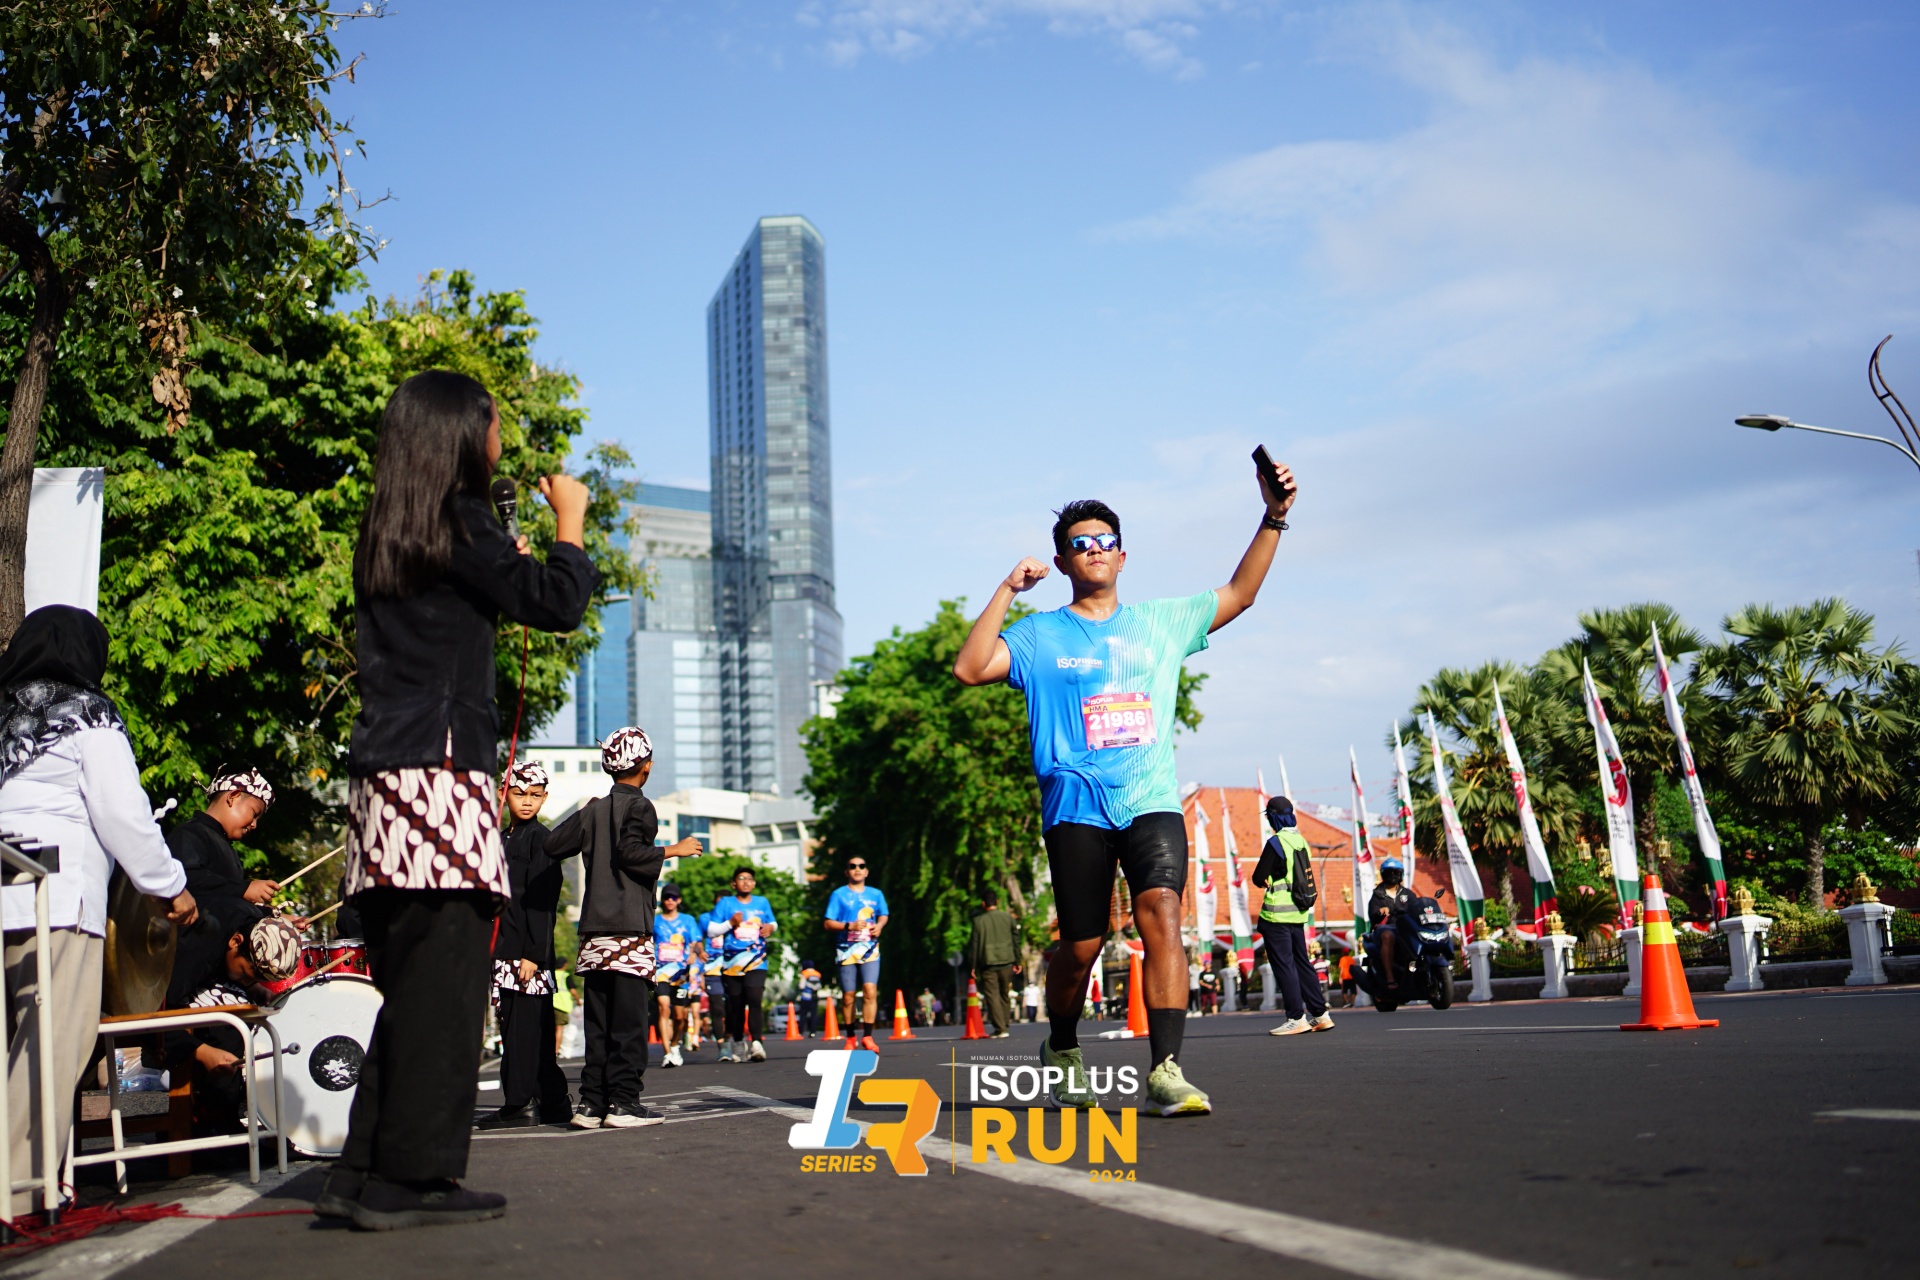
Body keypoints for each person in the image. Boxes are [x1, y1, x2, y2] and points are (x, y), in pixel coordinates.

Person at [319, 370, 599, 1231]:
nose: (500, 438)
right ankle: (411, 1179)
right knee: (444, 983)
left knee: (413, 982)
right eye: (494, 423)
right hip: (440, 778)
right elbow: (556, 601)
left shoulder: (393, 526)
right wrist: (570, 523)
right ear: (462, 434)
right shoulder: (460, 519)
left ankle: (362, 1169)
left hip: (384, 781)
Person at [952, 458, 1298, 1118]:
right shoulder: (1039, 635)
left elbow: (1241, 592)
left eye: (1105, 540)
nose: (1094, 549)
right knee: (1081, 947)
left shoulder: (1161, 622)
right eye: (1080, 543)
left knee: (1162, 912)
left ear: (1122, 554)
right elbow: (969, 668)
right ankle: (1061, 1045)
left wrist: (1274, 516)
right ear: (1062, 561)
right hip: (1075, 808)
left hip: (1149, 800)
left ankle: (1166, 1071)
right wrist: (1006, 590)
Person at [0, 605, 198, 1214]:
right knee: (51, 1048)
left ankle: (37, 1182)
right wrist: (170, 885)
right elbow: (122, 815)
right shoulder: (88, 713)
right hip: (56, 904)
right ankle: (19, 1193)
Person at [549, 727, 702, 1127]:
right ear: (646, 766)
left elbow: (553, 845)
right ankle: (623, 1104)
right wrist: (673, 850)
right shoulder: (641, 806)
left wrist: (588, 814)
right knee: (630, 1023)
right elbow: (631, 853)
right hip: (629, 932)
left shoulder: (595, 808)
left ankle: (591, 1104)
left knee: (599, 1023)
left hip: (593, 933)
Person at [477, 761, 571, 1130]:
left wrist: (533, 954)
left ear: (545, 798)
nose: (527, 801)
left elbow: (543, 903)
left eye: (535, 795)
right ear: (504, 794)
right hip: (502, 952)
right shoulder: (499, 840)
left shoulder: (543, 841)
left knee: (525, 1033)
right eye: (519, 794)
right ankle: (553, 1101)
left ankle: (520, 1103)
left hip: (527, 957)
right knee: (520, 1030)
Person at [163, 916, 302, 1134]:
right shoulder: (197, 950)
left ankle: (250, 1113)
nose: (246, 980)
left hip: (205, 978)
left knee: (255, 1011)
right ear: (235, 941)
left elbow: (240, 975)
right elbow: (162, 1014)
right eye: (247, 973)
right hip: (169, 996)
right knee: (229, 1022)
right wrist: (203, 1052)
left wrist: (255, 988)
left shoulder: (245, 922)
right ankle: (214, 1121)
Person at [167, 768, 280, 991]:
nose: (254, 824)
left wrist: (271, 915)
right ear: (233, 796)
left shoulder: (227, 849)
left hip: (209, 975)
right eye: (254, 813)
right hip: (178, 974)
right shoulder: (190, 833)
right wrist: (243, 888)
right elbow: (184, 882)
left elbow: (228, 909)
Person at [1251, 795, 1334, 1036]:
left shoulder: (1276, 842)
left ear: (1273, 818)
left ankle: (1296, 1017)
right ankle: (1320, 1014)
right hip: (1298, 913)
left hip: (1276, 916)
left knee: (1284, 966)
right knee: (1302, 963)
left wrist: (1266, 878)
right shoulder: (1301, 842)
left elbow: (1258, 876)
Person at [710, 868, 777, 1061]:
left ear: (754, 883)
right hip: (732, 963)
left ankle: (757, 1043)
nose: (746, 882)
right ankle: (738, 1041)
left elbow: (773, 923)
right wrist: (730, 923)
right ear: (733, 884)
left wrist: (771, 927)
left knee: (755, 999)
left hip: (757, 961)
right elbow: (712, 931)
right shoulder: (725, 903)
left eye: (749, 879)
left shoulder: (762, 902)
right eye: (741, 878)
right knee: (736, 1005)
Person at [823, 856, 887, 1050]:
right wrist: (848, 925)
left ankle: (868, 1036)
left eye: (861, 866)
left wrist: (879, 926)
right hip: (846, 949)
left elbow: (883, 915)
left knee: (870, 991)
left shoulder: (876, 894)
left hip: (869, 948)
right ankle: (850, 1037)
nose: (857, 869)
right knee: (848, 996)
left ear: (866, 871)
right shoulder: (838, 895)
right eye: (852, 866)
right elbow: (827, 923)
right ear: (847, 872)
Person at [652, 885, 704, 1066]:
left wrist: (696, 953)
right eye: (667, 897)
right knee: (663, 1008)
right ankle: (667, 1053)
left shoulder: (688, 920)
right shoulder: (655, 921)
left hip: (681, 974)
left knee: (680, 1017)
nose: (670, 901)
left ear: (679, 900)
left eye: (673, 897)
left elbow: (696, 942)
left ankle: (675, 1044)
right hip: (661, 972)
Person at [966, 891, 1018, 1038]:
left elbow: (975, 945)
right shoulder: (1007, 918)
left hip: (988, 963)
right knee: (1004, 994)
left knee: (992, 996)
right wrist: (1017, 960)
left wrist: (973, 966)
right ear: (997, 902)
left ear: (983, 903)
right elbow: (1016, 940)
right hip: (1007, 960)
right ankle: (1005, 1025)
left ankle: (1000, 1028)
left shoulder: (978, 921)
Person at [1368, 858, 1418, 991]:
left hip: (1406, 928)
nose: (1392, 875)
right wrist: (1380, 911)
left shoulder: (1408, 894)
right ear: (1383, 874)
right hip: (1386, 928)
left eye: (1395, 872)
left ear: (1401, 874)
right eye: (1389, 872)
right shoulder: (1377, 895)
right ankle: (1390, 978)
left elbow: (1417, 907)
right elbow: (1372, 914)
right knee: (1387, 936)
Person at [700, 904, 730, 1060]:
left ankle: (731, 1040)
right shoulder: (705, 919)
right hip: (712, 972)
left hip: (732, 970)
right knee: (717, 1009)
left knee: (733, 1009)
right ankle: (722, 1046)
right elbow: (696, 941)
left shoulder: (737, 920)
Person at [795, 961, 821, 1038]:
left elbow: (801, 986)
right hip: (814, 997)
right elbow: (819, 986)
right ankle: (813, 1032)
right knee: (814, 1015)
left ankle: (800, 1032)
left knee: (803, 1015)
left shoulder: (804, 973)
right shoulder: (817, 974)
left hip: (805, 997)